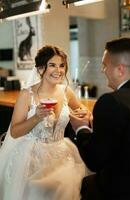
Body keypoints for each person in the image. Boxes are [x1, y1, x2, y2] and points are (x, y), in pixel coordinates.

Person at [0, 45, 89, 200]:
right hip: (32, 158)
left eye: (62, 65)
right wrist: (36, 117)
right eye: (52, 65)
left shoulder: (66, 91)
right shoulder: (27, 95)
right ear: (41, 68)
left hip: (62, 156)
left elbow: (83, 111)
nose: (59, 70)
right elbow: (14, 132)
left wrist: (85, 114)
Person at [69, 37, 130, 200]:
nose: (102, 70)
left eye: (105, 65)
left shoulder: (111, 102)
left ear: (120, 70)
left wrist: (81, 128)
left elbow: (95, 160)